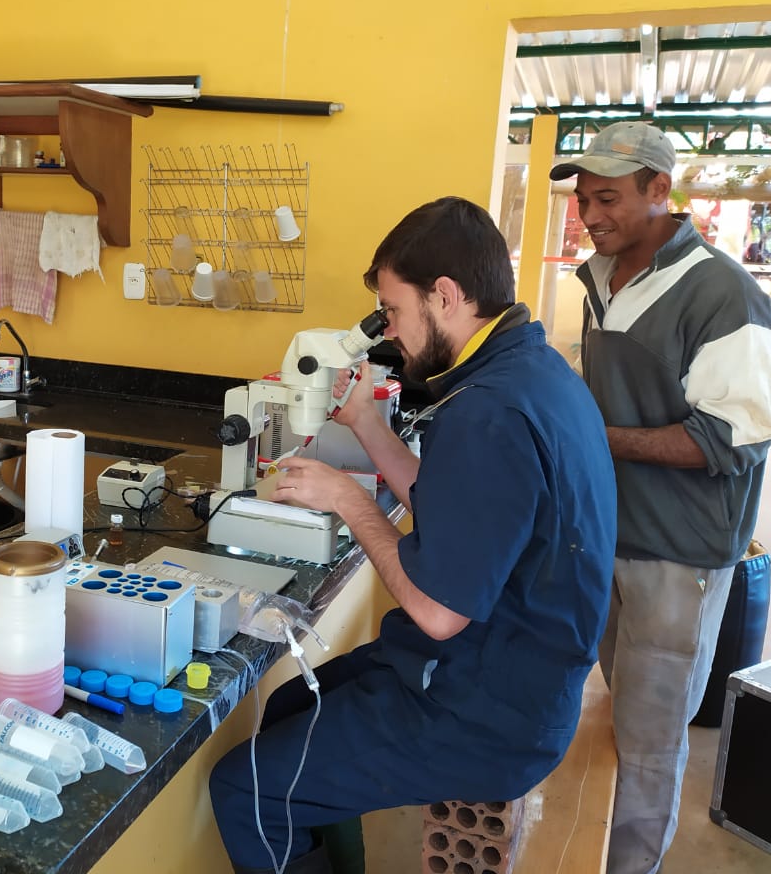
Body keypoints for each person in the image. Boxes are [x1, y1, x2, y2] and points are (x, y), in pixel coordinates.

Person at [208, 197, 617, 874]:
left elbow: (436, 612)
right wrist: (367, 425)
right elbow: (458, 505)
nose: (388, 331)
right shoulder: (529, 373)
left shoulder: (487, 412)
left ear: (446, 296)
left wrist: (347, 500)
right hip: (508, 676)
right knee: (287, 706)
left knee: (245, 789)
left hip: (483, 712)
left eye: (393, 311)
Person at [548, 122, 771, 874]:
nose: (591, 215)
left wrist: (596, 438)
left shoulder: (722, 293)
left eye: (608, 198)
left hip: (677, 552)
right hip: (609, 532)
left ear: (659, 189)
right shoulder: (601, 277)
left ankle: (631, 865)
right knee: (623, 703)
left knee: (652, 736)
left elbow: (732, 438)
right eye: (583, 198)